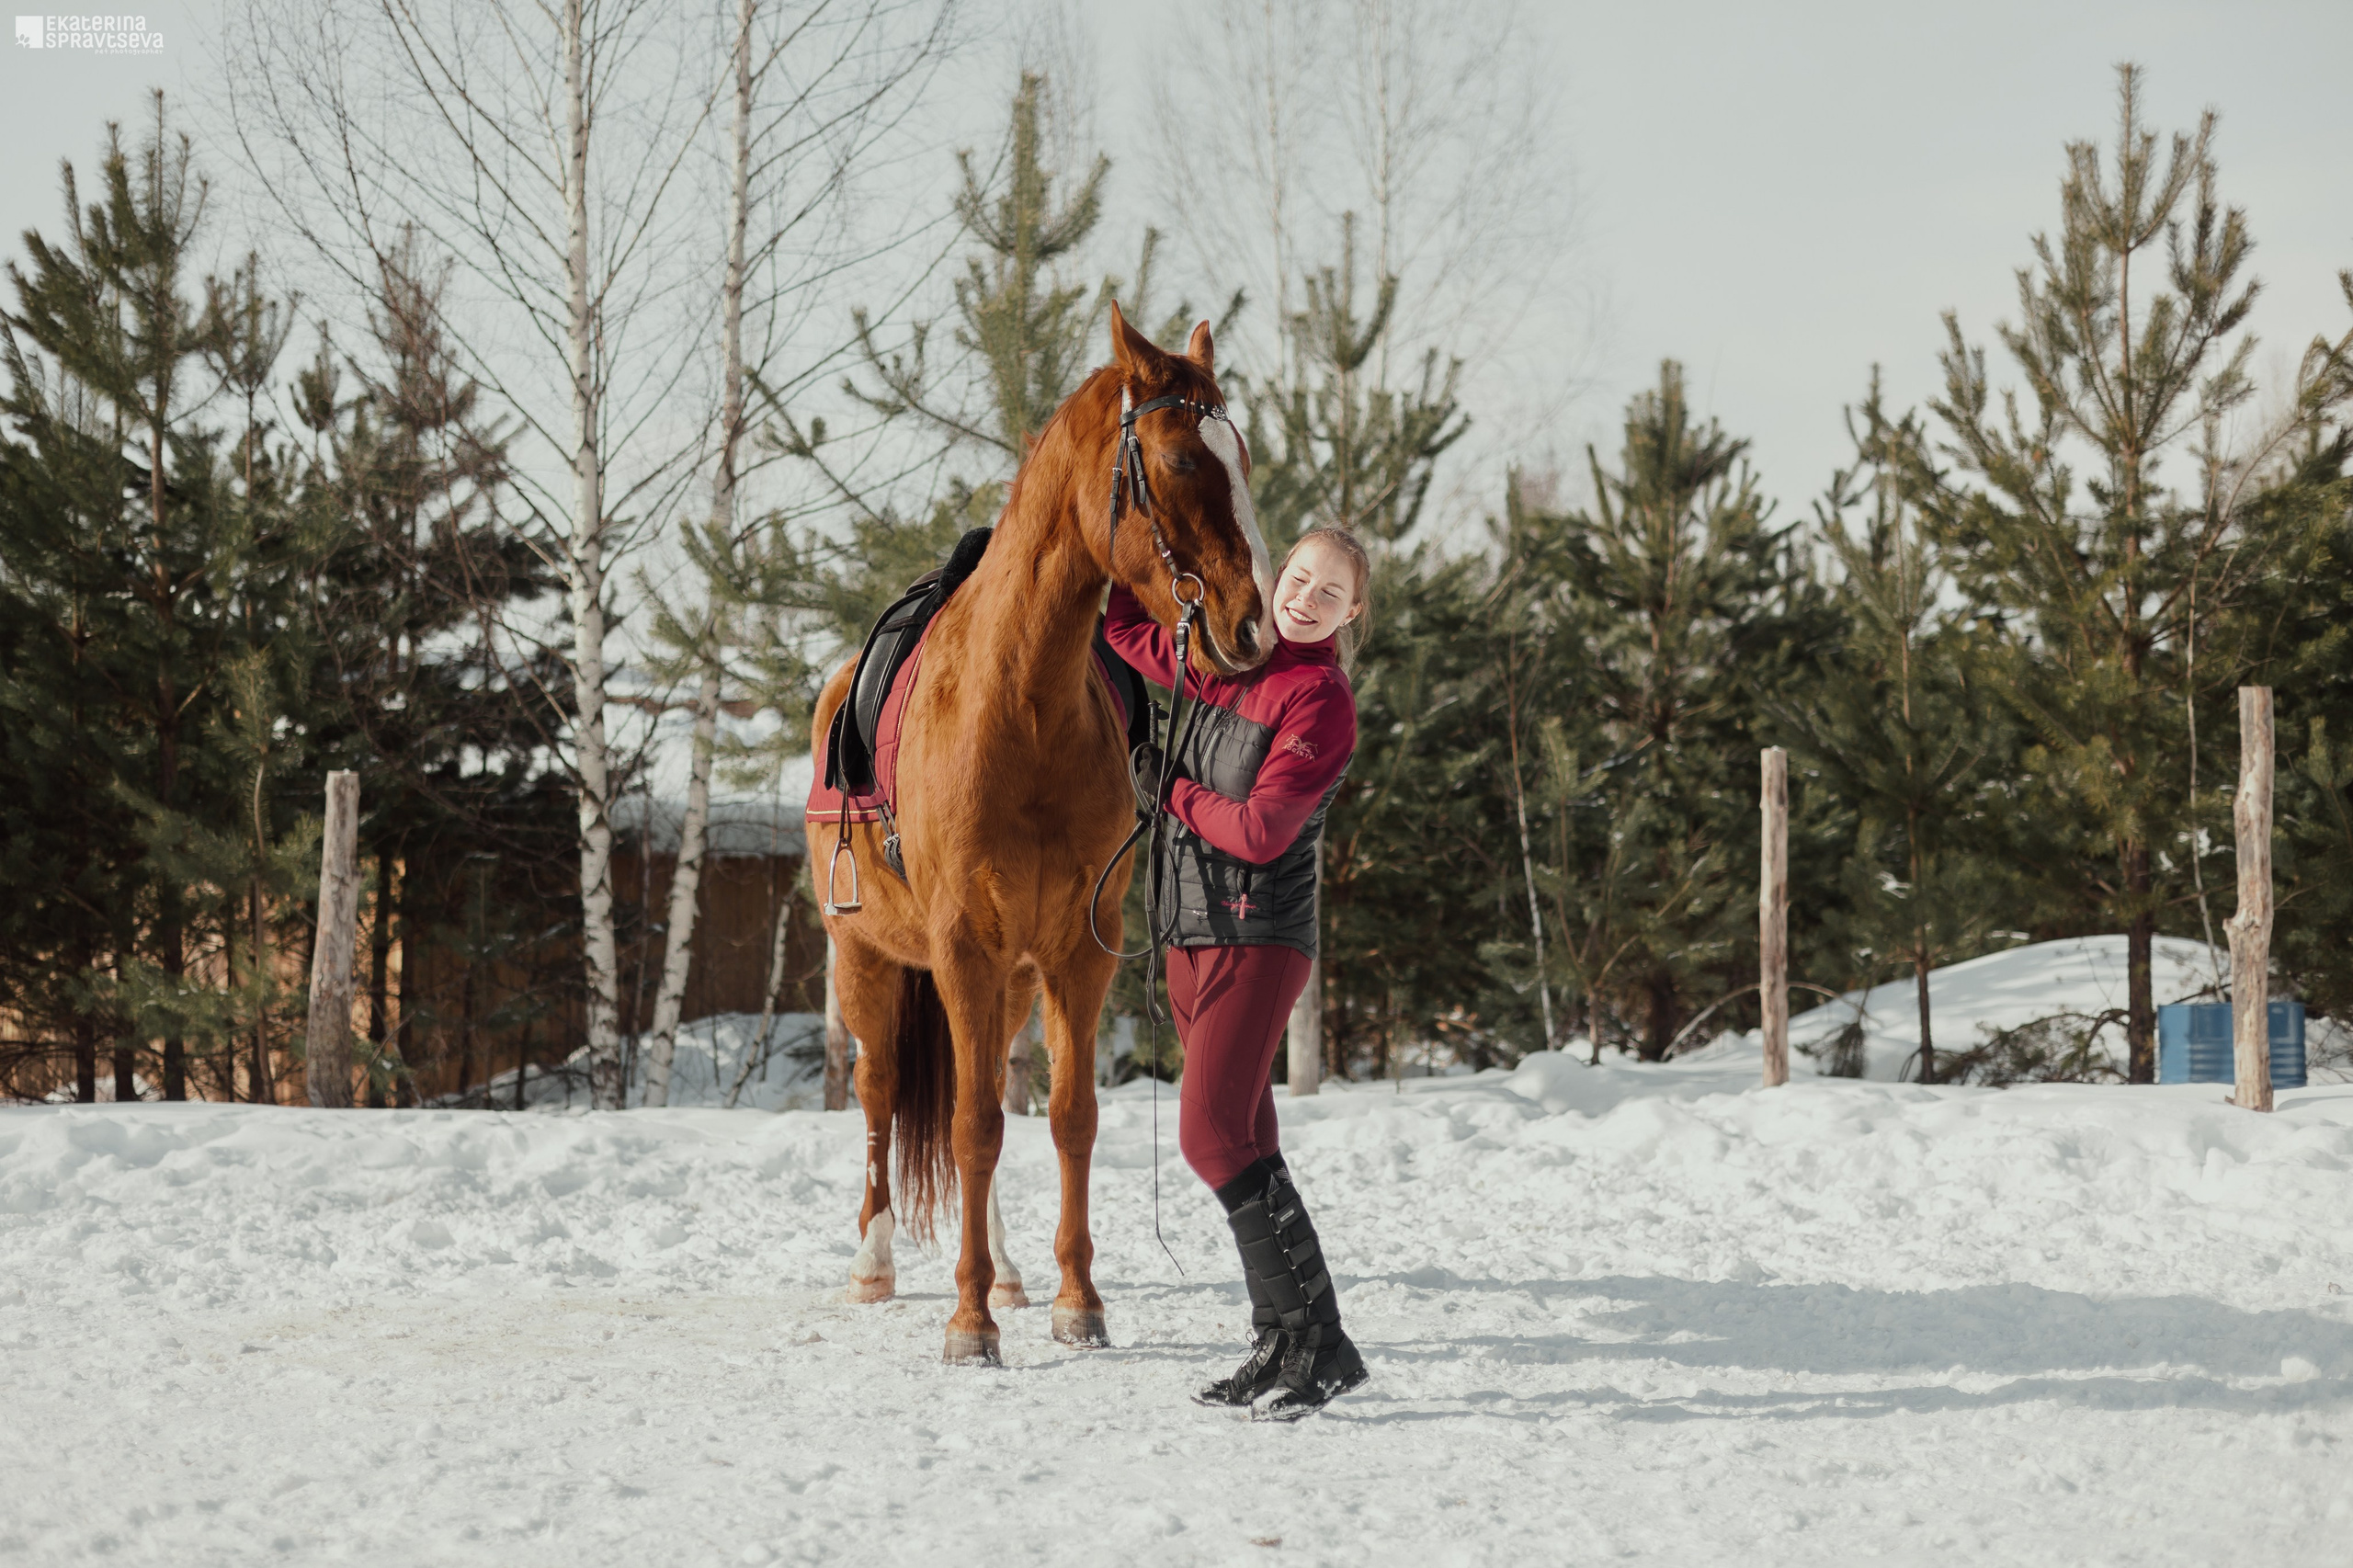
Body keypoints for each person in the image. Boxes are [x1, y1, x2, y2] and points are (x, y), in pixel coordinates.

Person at [1103, 525, 1372, 1420]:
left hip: (1257, 939)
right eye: (1297, 576)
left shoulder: (1320, 698)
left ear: (1351, 611)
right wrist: (1130, 535)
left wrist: (1168, 788)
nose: (1304, 597)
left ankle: (1322, 1342)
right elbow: (1121, 630)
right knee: (1247, 1139)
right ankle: (1284, 1338)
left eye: (1328, 591)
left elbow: (1261, 831)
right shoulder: (1230, 651)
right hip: (1188, 927)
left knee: (1212, 1136)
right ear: (1272, 571)